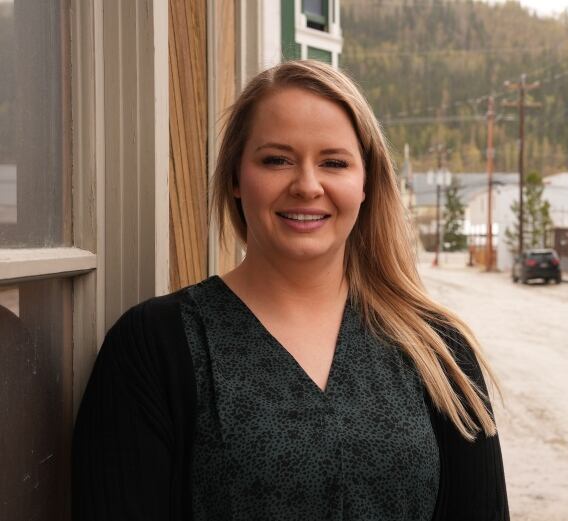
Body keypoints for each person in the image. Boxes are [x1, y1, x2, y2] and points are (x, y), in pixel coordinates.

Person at [72, 60, 509, 521]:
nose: (307, 185)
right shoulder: (153, 345)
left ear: (366, 184)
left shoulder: (436, 350)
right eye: (276, 160)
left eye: (334, 163)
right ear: (237, 179)